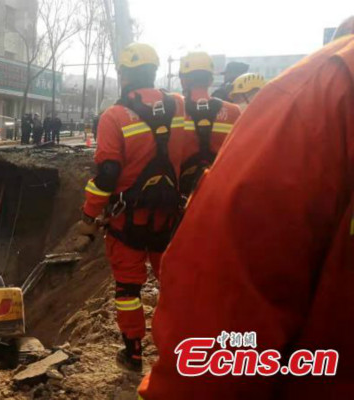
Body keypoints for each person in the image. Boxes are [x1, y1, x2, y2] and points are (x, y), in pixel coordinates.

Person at [138, 29, 354, 400]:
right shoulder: (239, 112)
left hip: (184, 213)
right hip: (198, 213)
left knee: (135, 285)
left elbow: (226, 309)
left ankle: (130, 346)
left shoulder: (320, 90)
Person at [77, 42, 186, 372]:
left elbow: (108, 174)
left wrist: (88, 216)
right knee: (174, 285)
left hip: (128, 222)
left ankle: (134, 353)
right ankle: (176, 352)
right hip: (171, 219)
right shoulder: (179, 106)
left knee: (128, 289)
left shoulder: (114, 116)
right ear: (154, 72)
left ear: (124, 76)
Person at [176, 51, 241, 197]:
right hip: (220, 194)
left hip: (183, 197)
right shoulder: (234, 112)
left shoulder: (175, 110)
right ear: (210, 80)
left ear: (184, 80)